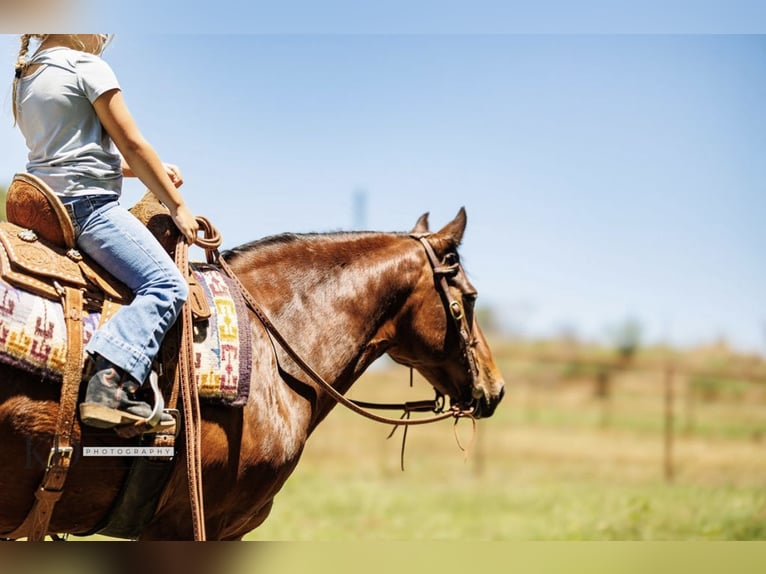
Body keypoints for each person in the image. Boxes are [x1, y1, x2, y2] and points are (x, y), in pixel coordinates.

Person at [12, 34, 199, 433]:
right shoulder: (85, 66)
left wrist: (149, 169)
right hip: (89, 208)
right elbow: (131, 143)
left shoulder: (26, 75)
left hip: (44, 204)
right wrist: (178, 207)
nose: (104, 37)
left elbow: (70, 152)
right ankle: (109, 386)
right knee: (166, 286)